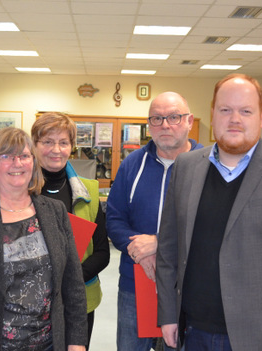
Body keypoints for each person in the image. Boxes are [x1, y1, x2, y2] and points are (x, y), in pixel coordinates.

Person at [156, 74, 262, 351]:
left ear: (261, 117)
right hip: (192, 331)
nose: (235, 119)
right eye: (225, 110)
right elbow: (168, 249)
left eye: (245, 111)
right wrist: (167, 314)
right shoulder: (186, 166)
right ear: (213, 115)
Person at [0, 127, 87, 351]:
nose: (17, 163)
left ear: (33, 162)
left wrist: (77, 341)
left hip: (51, 344)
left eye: (24, 156)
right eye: (6, 156)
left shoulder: (55, 212)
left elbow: (73, 283)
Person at [106, 92, 201, 350]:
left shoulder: (208, 166)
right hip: (136, 284)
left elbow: (212, 226)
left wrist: (159, 243)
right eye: (157, 119)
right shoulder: (131, 164)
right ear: (149, 125)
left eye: (174, 117)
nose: (165, 125)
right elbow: (114, 219)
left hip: (189, 288)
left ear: (189, 121)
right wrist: (139, 251)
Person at [31, 112, 110, 349]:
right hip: (30, 303)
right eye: (47, 142)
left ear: (71, 147)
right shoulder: (20, 190)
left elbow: (102, 253)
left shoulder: (89, 191)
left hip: (79, 302)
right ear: (34, 145)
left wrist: (69, 282)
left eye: (63, 142)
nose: (56, 149)